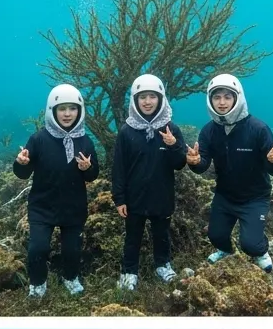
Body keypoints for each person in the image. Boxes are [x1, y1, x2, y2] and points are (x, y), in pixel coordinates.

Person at [187, 74, 273, 272]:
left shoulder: (258, 129)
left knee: (250, 245)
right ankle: (225, 250)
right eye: (217, 97)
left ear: (237, 98)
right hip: (225, 196)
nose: (222, 102)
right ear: (210, 100)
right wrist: (195, 162)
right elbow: (202, 165)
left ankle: (261, 250)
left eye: (227, 97)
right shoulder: (209, 131)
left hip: (255, 197)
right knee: (215, 236)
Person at [13, 84, 100, 300]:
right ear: (52, 110)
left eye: (72, 108)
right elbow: (22, 174)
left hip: (74, 207)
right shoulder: (38, 139)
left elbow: (93, 175)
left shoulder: (85, 140)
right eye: (62, 109)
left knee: (72, 250)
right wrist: (21, 163)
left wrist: (87, 168)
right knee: (38, 249)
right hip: (42, 207)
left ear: (80, 111)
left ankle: (70, 278)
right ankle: (37, 283)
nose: (68, 114)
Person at [111, 74, 187, 291]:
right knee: (132, 237)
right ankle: (129, 271)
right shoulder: (126, 131)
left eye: (152, 96)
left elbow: (179, 163)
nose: (147, 101)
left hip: (162, 197)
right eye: (142, 97)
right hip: (134, 199)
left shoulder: (171, 128)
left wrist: (173, 145)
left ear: (161, 99)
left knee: (161, 235)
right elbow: (119, 168)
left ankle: (162, 265)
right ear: (135, 101)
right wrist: (119, 198)